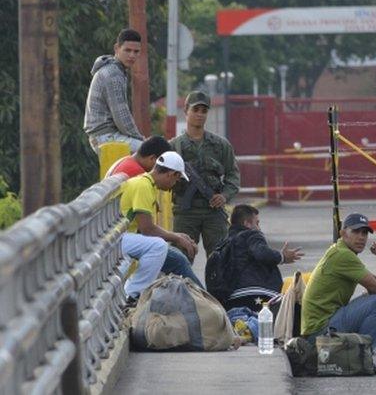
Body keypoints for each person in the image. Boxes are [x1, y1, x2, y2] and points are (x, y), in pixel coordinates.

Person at [108, 137, 202, 300]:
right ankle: (133, 295)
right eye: (176, 180)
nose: (174, 185)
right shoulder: (143, 185)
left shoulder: (146, 183)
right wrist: (177, 238)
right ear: (172, 174)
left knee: (159, 246)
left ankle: (134, 292)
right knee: (158, 246)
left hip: (116, 236)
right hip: (115, 239)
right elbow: (148, 229)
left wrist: (177, 236)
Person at [301, 213, 376, 355]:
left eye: (365, 233)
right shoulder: (343, 255)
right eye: (355, 231)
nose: (361, 237)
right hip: (319, 335)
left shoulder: (340, 251)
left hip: (320, 329)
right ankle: (364, 358)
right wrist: (371, 293)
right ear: (343, 233)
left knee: (374, 299)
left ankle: (358, 357)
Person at [170, 91, 240, 262]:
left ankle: (218, 290)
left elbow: (233, 174)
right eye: (196, 110)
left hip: (213, 212)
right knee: (181, 260)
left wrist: (224, 196)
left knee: (220, 261)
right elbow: (161, 177)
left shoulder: (220, 145)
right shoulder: (174, 146)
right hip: (185, 212)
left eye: (204, 111)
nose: (200, 115)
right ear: (186, 110)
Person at [217, 204, 304, 311]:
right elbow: (261, 253)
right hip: (258, 294)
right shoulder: (251, 234)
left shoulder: (222, 245)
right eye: (257, 223)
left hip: (230, 300)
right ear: (247, 224)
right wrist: (282, 257)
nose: (259, 228)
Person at [84, 28, 145, 154]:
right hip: (106, 137)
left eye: (136, 51)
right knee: (156, 153)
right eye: (127, 50)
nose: (132, 55)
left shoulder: (115, 70)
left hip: (105, 136)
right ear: (117, 48)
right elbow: (121, 116)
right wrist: (143, 140)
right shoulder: (113, 74)